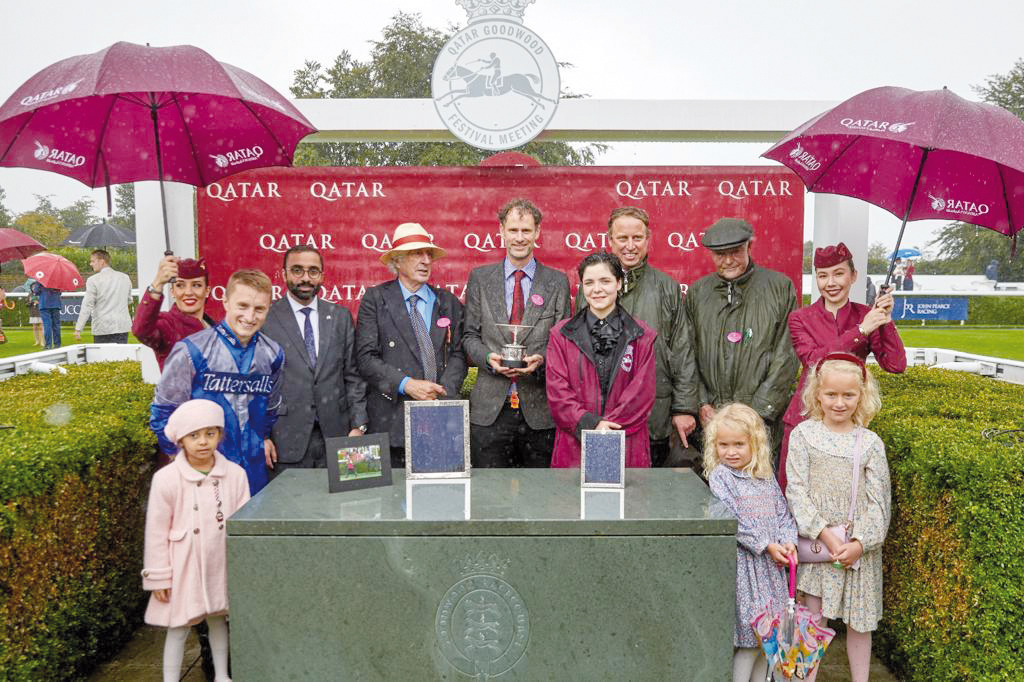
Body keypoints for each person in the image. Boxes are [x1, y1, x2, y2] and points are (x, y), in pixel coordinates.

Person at [786, 353, 891, 682]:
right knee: (813, 620)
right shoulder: (803, 435)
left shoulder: (870, 443)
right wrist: (825, 535)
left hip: (858, 551)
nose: (840, 402)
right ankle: (804, 677)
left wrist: (859, 544)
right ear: (817, 393)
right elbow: (796, 491)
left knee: (860, 624)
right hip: (819, 547)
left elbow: (879, 502)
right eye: (831, 394)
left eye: (849, 395)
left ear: (861, 395)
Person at [781, 243, 905, 491]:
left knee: (840, 493)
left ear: (853, 276)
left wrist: (884, 320)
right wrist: (861, 331)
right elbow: (814, 361)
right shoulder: (800, 318)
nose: (830, 283)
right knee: (795, 491)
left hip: (847, 421)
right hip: (805, 417)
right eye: (823, 276)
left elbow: (895, 364)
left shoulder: (867, 314)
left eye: (838, 274)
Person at [142, 399, 249, 682]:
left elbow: (242, 525)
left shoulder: (235, 475)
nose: (203, 442)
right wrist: (159, 577)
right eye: (194, 435)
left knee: (219, 620)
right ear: (181, 440)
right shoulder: (166, 479)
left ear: (220, 435)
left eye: (210, 434)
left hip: (219, 563)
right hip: (183, 565)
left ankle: (222, 674)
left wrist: (241, 569)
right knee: (178, 626)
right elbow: (156, 531)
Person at [151, 269, 284, 495]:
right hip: (203, 475)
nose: (250, 316)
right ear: (225, 302)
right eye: (242, 306)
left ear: (268, 308)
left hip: (254, 475)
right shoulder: (191, 350)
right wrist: (181, 460)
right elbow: (163, 412)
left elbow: (271, 408)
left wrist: (262, 437)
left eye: (259, 309)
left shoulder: (273, 353)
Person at [463, 199, 570, 468]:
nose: (519, 238)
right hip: (489, 411)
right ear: (501, 231)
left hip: (540, 411)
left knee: (542, 491)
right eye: (513, 230)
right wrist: (488, 359)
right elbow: (469, 336)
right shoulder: (480, 278)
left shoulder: (557, 282)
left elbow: (563, 343)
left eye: (526, 230)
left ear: (537, 232)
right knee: (489, 491)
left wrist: (541, 360)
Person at [681, 218, 799, 463]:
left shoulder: (780, 288)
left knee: (758, 483)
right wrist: (702, 403)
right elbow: (687, 353)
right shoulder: (698, 293)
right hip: (711, 420)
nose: (727, 261)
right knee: (713, 484)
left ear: (749, 247)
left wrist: (757, 412)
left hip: (762, 422)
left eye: (734, 252)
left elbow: (786, 355)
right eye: (720, 254)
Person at [355, 223, 467, 468]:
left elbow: (459, 353)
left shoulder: (447, 301)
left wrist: (442, 392)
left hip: (441, 422)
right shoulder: (376, 299)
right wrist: (407, 385)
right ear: (397, 260)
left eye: (429, 254)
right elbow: (365, 358)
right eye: (417, 253)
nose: (426, 260)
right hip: (392, 423)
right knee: (393, 492)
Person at [704, 403, 797, 682]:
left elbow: (783, 514)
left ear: (754, 443)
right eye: (723, 445)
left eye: (738, 444)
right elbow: (732, 520)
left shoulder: (764, 477)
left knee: (768, 642)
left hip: (772, 571)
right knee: (749, 641)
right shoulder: (722, 477)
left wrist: (788, 541)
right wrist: (766, 544)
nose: (730, 452)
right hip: (746, 571)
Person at [603, 206, 696, 467]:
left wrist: (684, 408)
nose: (630, 246)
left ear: (648, 239)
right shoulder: (596, 283)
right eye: (623, 238)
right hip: (605, 413)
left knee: (649, 486)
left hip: (655, 413)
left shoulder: (667, 287)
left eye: (637, 238)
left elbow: (683, 349)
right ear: (610, 240)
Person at [262, 245, 368, 471]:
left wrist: (358, 425)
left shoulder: (340, 317)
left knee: (341, 496)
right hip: (284, 438)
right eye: (297, 270)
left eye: (313, 271)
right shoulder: (266, 319)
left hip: (339, 437)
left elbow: (353, 376)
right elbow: (258, 383)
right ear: (284, 274)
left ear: (322, 276)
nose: (305, 278)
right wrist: (261, 435)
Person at [546, 252, 656, 467]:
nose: (597, 289)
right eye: (589, 283)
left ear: (619, 283)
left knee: (629, 491)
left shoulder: (642, 335)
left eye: (605, 281)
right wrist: (590, 424)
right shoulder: (561, 335)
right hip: (575, 444)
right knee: (570, 491)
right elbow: (557, 393)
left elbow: (642, 394)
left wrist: (607, 429)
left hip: (626, 443)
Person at [133, 255, 216, 369]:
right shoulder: (167, 325)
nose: (188, 292)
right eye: (180, 285)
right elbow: (141, 330)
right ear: (172, 292)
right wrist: (157, 283)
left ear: (207, 291)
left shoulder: (216, 328)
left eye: (196, 285)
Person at [75, 249, 133, 343]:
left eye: (93, 261)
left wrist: (78, 328)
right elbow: (129, 300)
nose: (91, 264)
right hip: (121, 326)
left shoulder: (93, 280)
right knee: (121, 353)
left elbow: (87, 305)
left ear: (102, 262)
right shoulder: (125, 277)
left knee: (102, 353)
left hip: (102, 327)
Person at [31, 279, 63, 349]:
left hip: (44, 305)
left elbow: (36, 291)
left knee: (47, 325)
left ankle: (48, 345)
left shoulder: (41, 279)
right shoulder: (57, 279)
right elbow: (60, 292)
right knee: (56, 325)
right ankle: (57, 344)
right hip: (55, 304)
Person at [26, 278, 44, 347]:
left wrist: (38, 302)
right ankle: (37, 341)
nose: (34, 288)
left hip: (40, 312)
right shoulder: (30, 295)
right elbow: (26, 304)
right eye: (32, 287)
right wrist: (30, 302)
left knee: (41, 327)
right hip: (33, 313)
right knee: (35, 327)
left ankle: (42, 341)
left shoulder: (41, 294)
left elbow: (44, 302)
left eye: (35, 287)